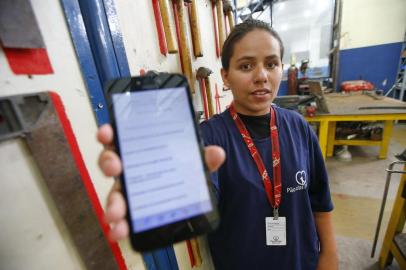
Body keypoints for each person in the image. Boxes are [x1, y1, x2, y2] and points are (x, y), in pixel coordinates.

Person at [98, 19, 338, 270]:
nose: (261, 76)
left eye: (271, 64)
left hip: (304, 262)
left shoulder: (298, 127)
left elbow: (320, 203)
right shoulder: (209, 139)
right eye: (246, 66)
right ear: (226, 76)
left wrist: (329, 255)